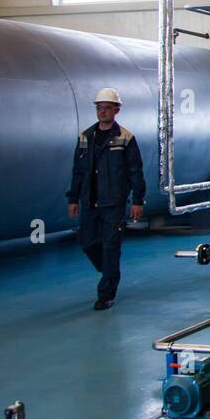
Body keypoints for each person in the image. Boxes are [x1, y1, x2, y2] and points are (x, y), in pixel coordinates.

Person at [66, 88, 145, 310]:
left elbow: (135, 172)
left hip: (113, 202)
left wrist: (137, 201)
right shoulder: (85, 137)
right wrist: (73, 198)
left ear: (116, 110)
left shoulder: (125, 138)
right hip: (89, 201)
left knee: (111, 247)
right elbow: (78, 171)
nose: (102, 112)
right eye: (99, 108)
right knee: (87, 242)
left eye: (107, 108)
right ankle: (109, 270)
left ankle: (106, 294)